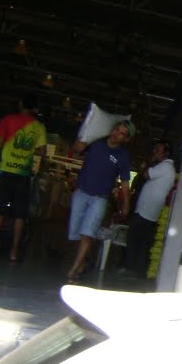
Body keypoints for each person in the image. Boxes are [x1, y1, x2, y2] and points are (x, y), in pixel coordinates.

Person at [0, 94, 48, 261]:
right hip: (23, 174)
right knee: (20, 215)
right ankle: (14, 253)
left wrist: (10, 149)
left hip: (6, 171)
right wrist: (28, 152)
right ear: (35, 108)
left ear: (20, 103)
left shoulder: (8, 120)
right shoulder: (39, 126)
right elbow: (42, 152)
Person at [66, 119, 134, 282]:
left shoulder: (123, 156)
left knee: (88, 234)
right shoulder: (96, 142)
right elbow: (75, 150)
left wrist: (126, 207)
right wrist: (80, 141)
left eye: (122, 133)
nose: (117, 134)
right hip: (81, 193)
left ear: (126, 139)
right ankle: (82, 261)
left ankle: (74, 270)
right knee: (75, 232)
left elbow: (125, 184)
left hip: (100, 199)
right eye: (116, 129)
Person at [123, 139, 175, 277]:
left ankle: (131, 267)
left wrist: (149, 162)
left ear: (165, 154)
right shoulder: (166, 167)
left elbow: (146, 174)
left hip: (146, 211)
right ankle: (136, 268)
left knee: (135, 238)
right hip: (148, 210)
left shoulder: (165, 167)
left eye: (158, 150)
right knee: (142, 241)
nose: (154, 152)